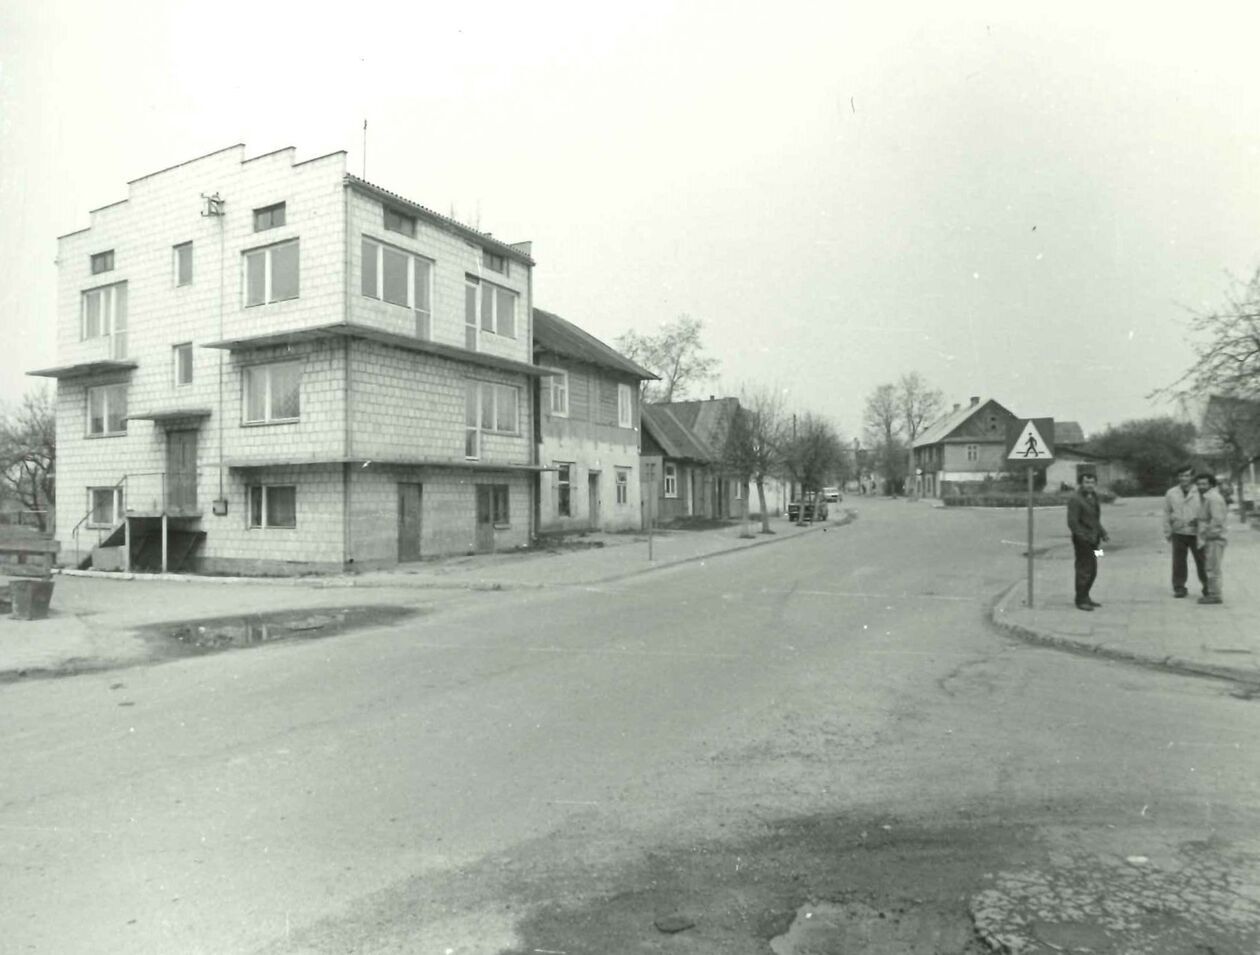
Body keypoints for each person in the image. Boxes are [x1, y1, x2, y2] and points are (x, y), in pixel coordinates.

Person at [1067, 472, 1109, 611]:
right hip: (1082, 541)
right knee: (1084, 569)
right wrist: (1083, 537)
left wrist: (1103, 533)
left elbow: (1095, 519)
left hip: (1095, 540)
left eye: (1092, 482)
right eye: (1086, 482)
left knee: (1094, 569)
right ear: (1081, 483)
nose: (1090, 485)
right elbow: (1072, 523)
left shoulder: (1094, 496)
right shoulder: (1075, 499)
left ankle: (1087, 596)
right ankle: (1080, 600)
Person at [1163, 464, 1206, 598]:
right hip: (1178, 532)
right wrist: (1167, 531)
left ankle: (1208, 587)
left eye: (1187, 475)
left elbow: (1207, 510)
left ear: (1192, 477)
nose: (1184, 478)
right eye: (1181, 475)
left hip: (1197, 532)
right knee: (1178, 562)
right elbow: (1166, 512)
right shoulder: (1171, 493)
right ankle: (1179, 587)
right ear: (1178, 477)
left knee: (1202, 561)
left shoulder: (1200, 490)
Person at [1195, 473, 1228, 605]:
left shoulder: (1213, 498)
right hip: (1211, 537)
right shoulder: (1207, 497)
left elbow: (1217, 520)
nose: (1201, 486)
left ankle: (1215, 595)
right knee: (1210, 566)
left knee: (1213, 567)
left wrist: (1207, 535)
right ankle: (1213, 593)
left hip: (1215, 538)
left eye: (1204, 484)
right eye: (1198, 484)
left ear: (1211, 484)